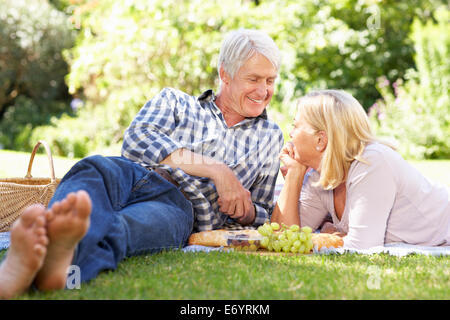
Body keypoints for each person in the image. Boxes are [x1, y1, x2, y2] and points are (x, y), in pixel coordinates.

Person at [0, 28, 284, 296]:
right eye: (254, 79)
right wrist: (217, 170)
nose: (264, 91)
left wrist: (244, 211)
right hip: (133, 175)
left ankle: (56, 267)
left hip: (179, 207)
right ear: (226, 74)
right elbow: (137, 140)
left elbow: (264, 214)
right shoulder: (175, 101)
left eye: (270, 80)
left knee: (121, 228)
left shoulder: (270, 136)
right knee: (93, 168)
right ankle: (51, 251)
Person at [272, 89, 450, 249]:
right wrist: (293, 176)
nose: (291, 134)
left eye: (295, 125)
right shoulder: (319, 176)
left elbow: (361, 247)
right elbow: (283, 236)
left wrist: (327, 237)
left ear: (320, 140)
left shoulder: (371, 162)